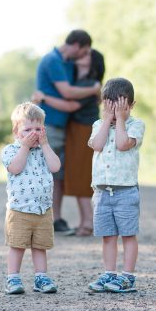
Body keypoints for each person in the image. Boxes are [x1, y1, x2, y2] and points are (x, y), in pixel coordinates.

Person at [32, 49, 105, 236]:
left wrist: (43, 98)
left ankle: (88, 221)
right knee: (74, 174)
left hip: (84, 129)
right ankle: (85, 221)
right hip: (74, 129)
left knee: (81, 174)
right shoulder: (78, 80)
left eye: (87, 54)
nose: (82, 55)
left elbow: (70, 105)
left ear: (93, 63)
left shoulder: (90, 84)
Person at [87, 78, 145, 293]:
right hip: (102, 192)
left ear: (131, 105)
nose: (114, 113)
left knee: (128, 234)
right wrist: (106, 120)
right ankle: (109, 273)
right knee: (108, 236)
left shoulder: (136, 125)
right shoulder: (97, 125)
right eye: (109, 107)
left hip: (126, 191)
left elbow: (122, 144)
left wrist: (120, 120)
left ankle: (128, 277)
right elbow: (97, 145)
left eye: (121, 108)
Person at [1, 102, 61, 294]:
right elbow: (16, 168)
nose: (33, 133)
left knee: (40, 246)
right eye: (27, 129)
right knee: (17, 245)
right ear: (16, 132)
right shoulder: (11, 150)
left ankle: (41, 277)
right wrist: (25, 147)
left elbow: (55, 167)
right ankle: (13, 278)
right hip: (20, 209)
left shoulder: (45, 150)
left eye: (38, 129)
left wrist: (45, 144)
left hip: (43, 209)